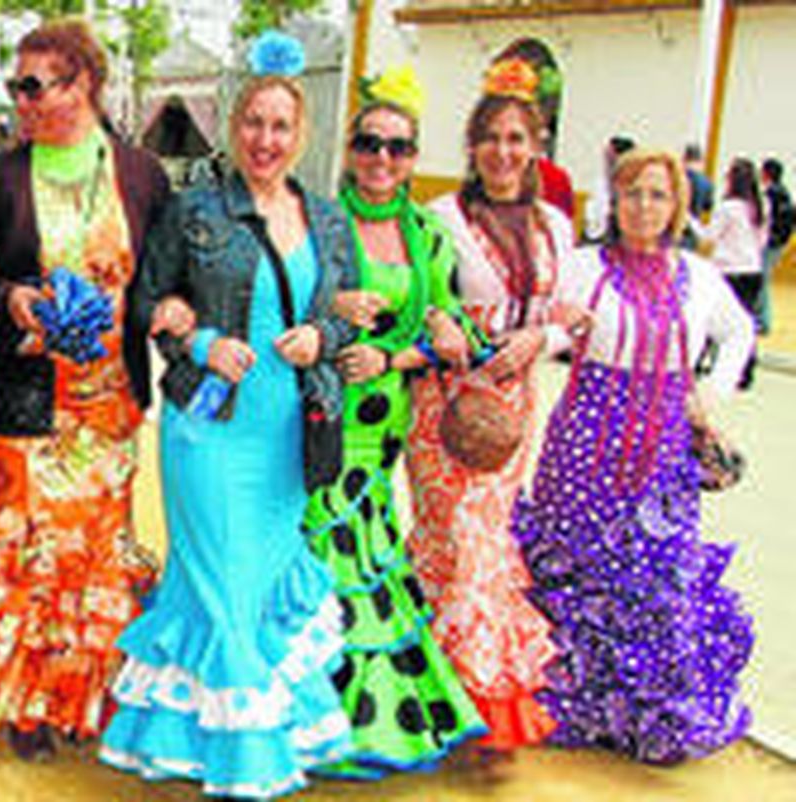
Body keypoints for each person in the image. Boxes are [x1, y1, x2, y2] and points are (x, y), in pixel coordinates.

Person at [96, 31, 359, 798]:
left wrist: (324, 336)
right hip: (209, 430)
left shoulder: (329, 217)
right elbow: (148, 302)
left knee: (258, 583)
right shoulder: (192, 210)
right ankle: (245, 758)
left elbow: (342, 316)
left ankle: (187, 742)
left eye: (280, 126)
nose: (265, 140)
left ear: (299, 134)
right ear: (232, 127)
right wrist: (204, 340)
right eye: (253, 123)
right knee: (217, 580)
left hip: (287, 434)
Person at [0, 17, 172, 761]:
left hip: (107, 407)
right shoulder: (0, 177)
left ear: (83, 84)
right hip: (21, 400)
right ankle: (23, 701)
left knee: (89, 558)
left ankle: (80, 697)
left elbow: (161, 279)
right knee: (15, 555)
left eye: (35, 85)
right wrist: (8, 295)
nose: (21, 100)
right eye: (15, 86)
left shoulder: (140, 174)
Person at [513, 147, 755, 764]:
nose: (644, 206)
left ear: (676, 206)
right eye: (632, 193)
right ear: (612, 202)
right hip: (585, 444)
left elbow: (739, 332)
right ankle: (577, 705)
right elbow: (545, 326)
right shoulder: (581, 265)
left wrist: (707, 398)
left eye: (658, 194)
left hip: (665, 449)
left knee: (657, 576)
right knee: (578, 567)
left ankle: (646, 716)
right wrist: (556, 324)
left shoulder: (698, 277)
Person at [299, 66, 487, 777]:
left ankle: (367, 728)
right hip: (319, 417)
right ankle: (302, 718)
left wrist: (393, 355)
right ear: (350, 150)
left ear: (414, 158)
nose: (382, 159)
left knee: (369, 559)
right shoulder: (318, 223)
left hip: (382, 428)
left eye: (399, 148)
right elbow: (286, 306)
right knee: (317, 557)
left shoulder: (429, 238)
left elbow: (455, 332)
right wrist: (334, 325)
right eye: (370, 144)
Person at [405, 59, 575, 757]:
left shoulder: (556, 227)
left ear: (536, 147)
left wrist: (543, 336)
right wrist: (443, 325)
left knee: (485, 544)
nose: (504, 152)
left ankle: (469, 699)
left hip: (512, 409)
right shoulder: (440, 218)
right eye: (491, 139)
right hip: (445, 408)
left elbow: (575, 316)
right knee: (455, 544)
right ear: (471, 148)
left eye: (517, 139)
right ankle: (462, 704)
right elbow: (417, 299)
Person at [693, 158, 766, 389]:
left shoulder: (728, 208)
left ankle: (697, 362)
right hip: (752, 269)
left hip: (729, 269)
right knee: (744, 322)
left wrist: (691, 223)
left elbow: (709, 238)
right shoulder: (759, 207)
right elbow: (762, 240)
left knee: (709, 317)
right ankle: (745, 371)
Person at [759, 158, 791, 331]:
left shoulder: (771, 194)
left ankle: (763, 319)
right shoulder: (784, 193)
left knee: (762, 278)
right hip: (779, 243)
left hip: (771, 243)